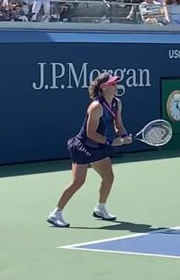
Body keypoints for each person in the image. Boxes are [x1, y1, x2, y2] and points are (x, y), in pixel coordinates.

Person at [47, 73, 132, 228]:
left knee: (109, 178)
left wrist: (124, 135)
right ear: (103, 87)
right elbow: (90, 133)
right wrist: (111, 142)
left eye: (116, 83)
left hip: (99, 147)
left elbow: (119, 125)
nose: (116, 86)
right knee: (78, 182)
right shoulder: (96, 107)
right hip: (83, 146)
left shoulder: (117, 103)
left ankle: (100, 209)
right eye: (112, 84)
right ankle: (55, 213)